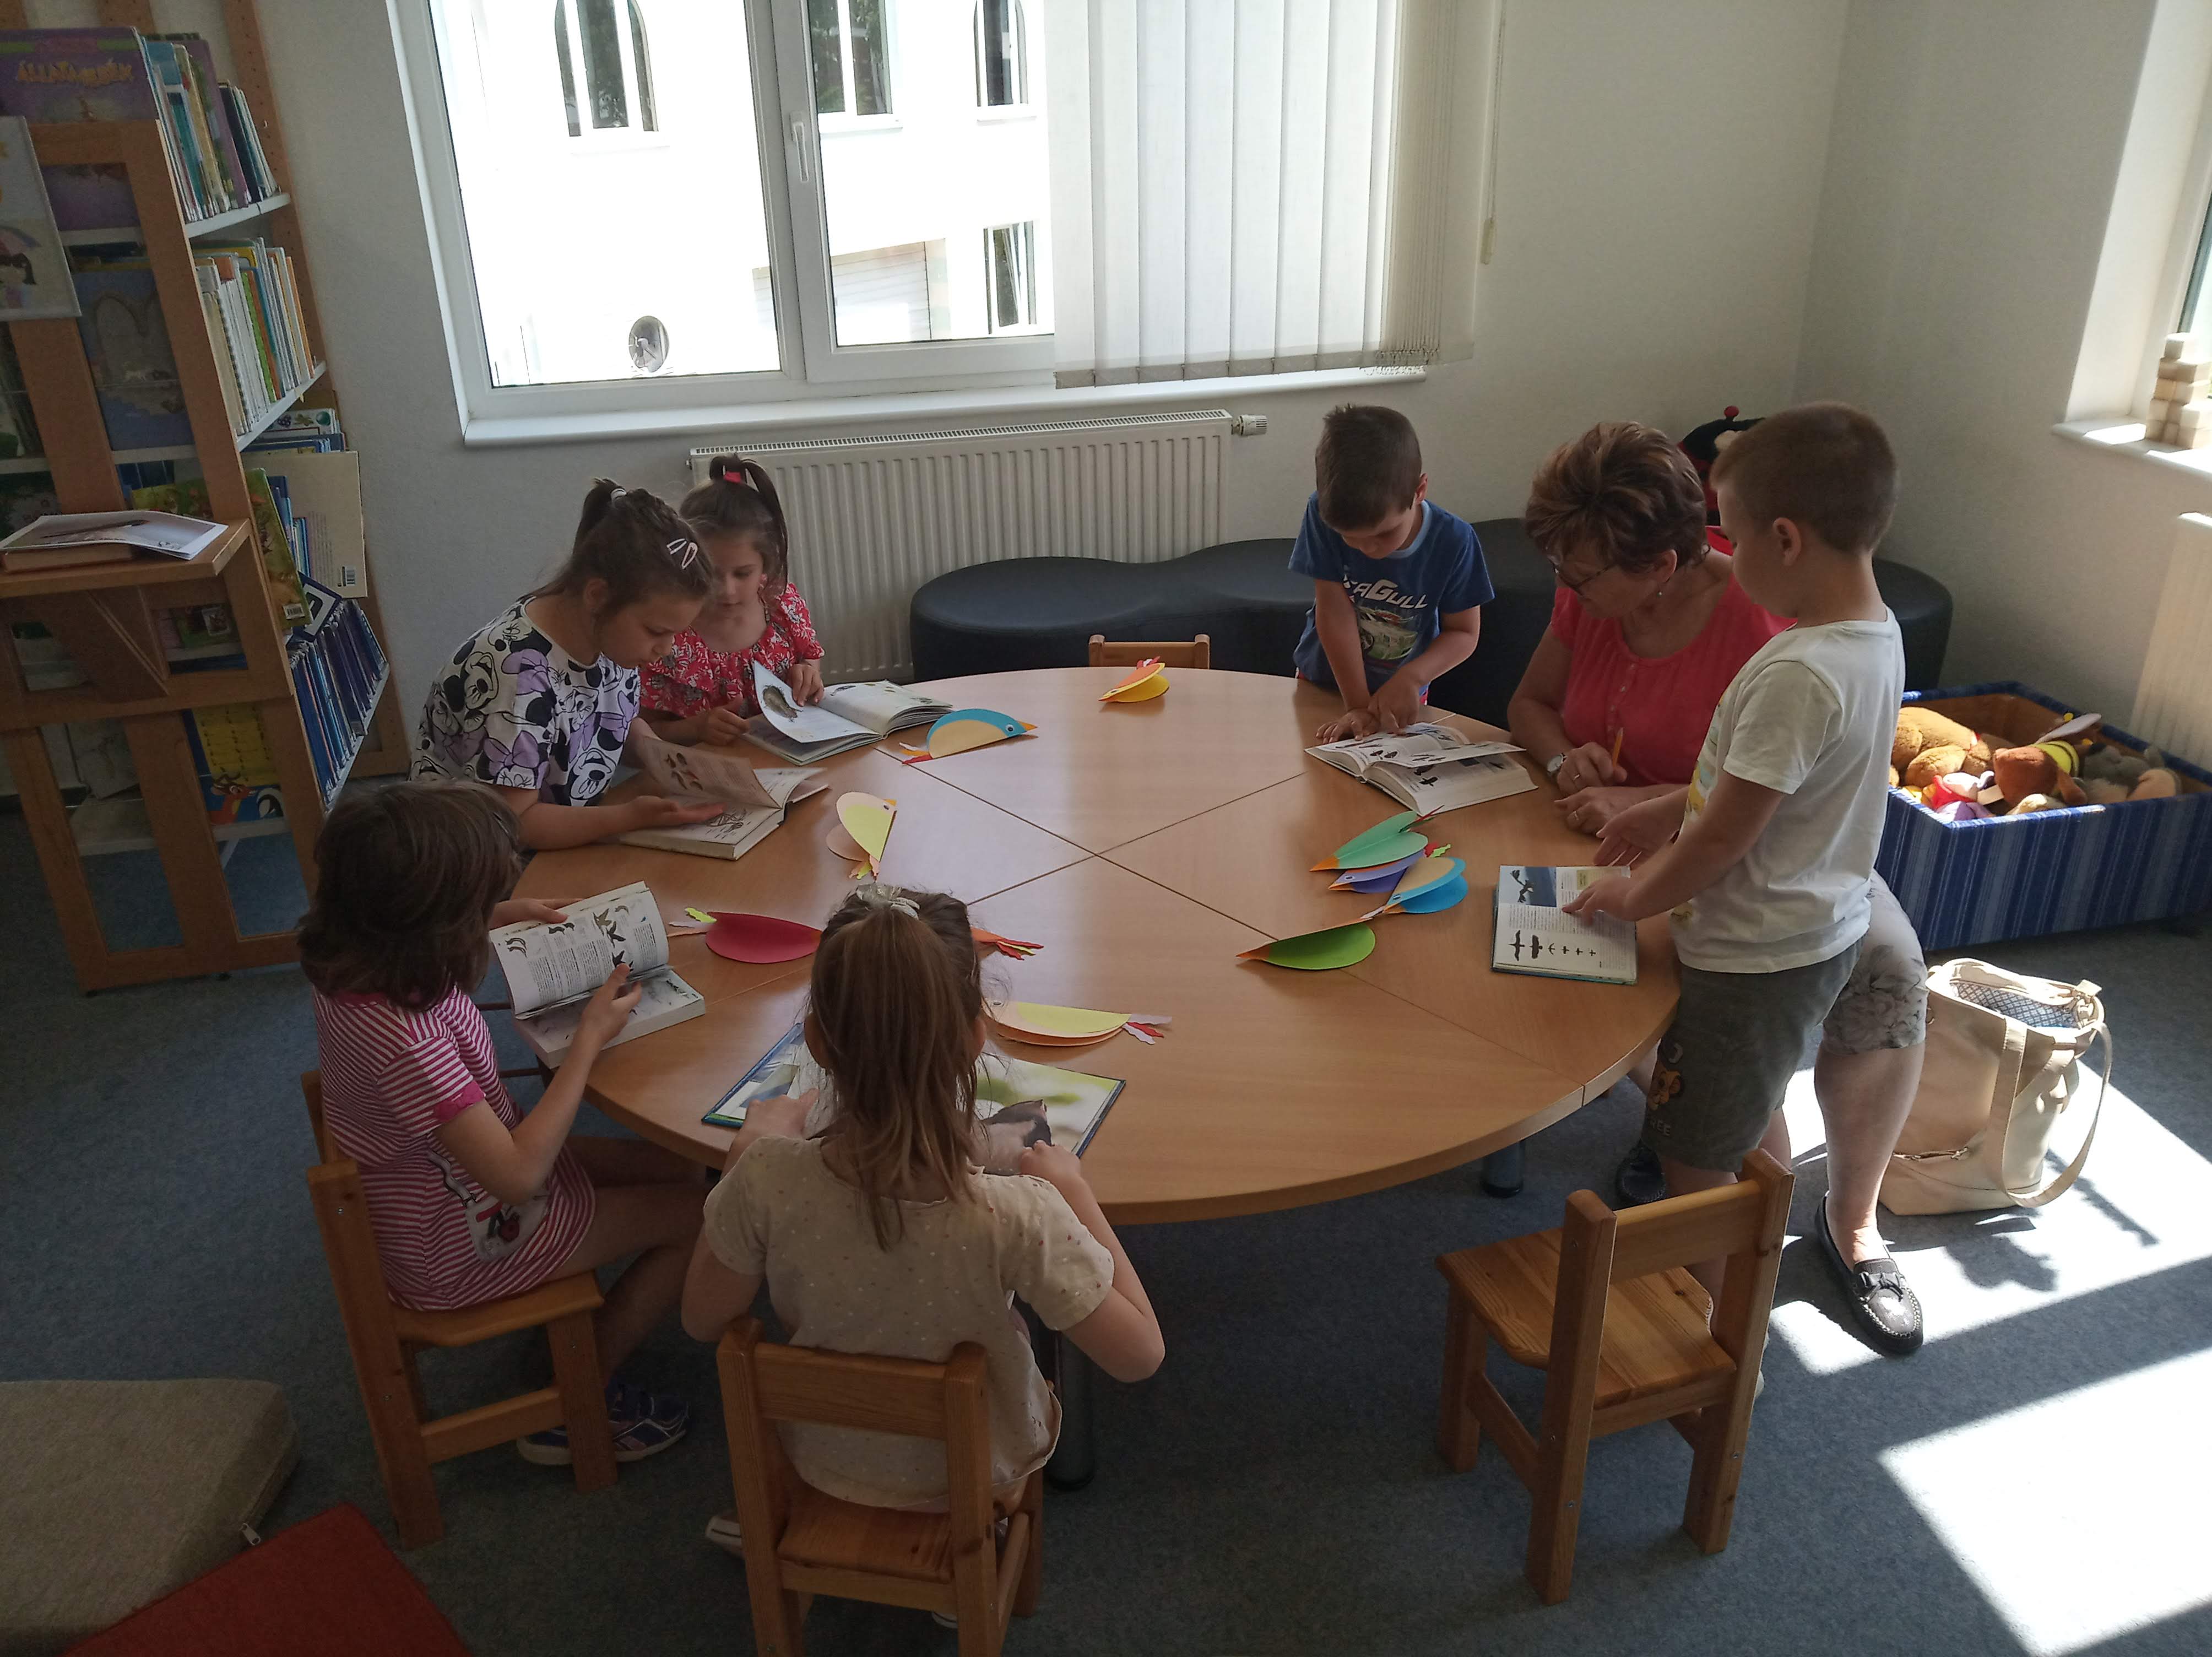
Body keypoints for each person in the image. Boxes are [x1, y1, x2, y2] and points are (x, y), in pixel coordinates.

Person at [1564, 404, 1926, 1356]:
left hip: (1751, 953)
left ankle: (1726, 1337)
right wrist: (1661, 811)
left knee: (1694, 1152)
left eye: (1732, 531)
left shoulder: (1799, 671)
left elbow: (1726, 836)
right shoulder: (1873, 633)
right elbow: (1761, 789)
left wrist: (1632, 896)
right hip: (1815, 926)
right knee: (1750, 1119)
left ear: (1786, 540)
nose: (1723, 555)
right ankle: (1757, 1246)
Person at [681, 884, 1164, 1557]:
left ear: (815, 1040)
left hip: (820, 1453)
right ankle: (973, 1552)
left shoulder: (766, 1176)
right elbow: (1140, 1354)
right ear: (975, 1037)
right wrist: (1076, 1195)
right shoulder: (1016, 1212)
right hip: (971, 1473)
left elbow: (701, 1319)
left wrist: (742, 1154)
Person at [302, 782, 706, 1461]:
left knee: (682, 1163)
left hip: (446, 1186)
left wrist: (496, 915)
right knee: (706, 1216)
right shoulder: (407, 1042)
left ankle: (576, 1337)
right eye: (472, 905)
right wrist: (587, 1040)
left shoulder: (356, 960)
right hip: (467, 1233)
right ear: (430, 922)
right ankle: (573, 1395)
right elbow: (518, 1176)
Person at [414, 479, 726, 849]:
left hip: (569, 833)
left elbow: (612, 723)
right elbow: (513, 824)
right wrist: (629, 817)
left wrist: (662, 758)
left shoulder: (610, 637)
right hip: (479, 860)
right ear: (598, 595)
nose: (667, 649)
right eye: (657, 631)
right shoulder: (516, 675)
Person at [1291, 404, 1492, 743]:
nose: (1366, 549)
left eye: (1383, 534)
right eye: (1348, 537)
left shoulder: (1455, 540)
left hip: (1402, 694)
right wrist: (1357, 705)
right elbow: (1334, 611)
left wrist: (1413, 678)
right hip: (1325, 682)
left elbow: (1464, 633)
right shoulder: (1321, 512)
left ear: (1419, 491)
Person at [641, 455, 827, 745]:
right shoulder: (669, 636)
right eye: (712, 573)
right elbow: (644, 732)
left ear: (766, 564)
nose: (727, 590)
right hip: (708, 764)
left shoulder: (783, 607)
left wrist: (808, 674)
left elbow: (810, 657)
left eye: (742, 574)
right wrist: (695, 729)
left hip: (787, 757)